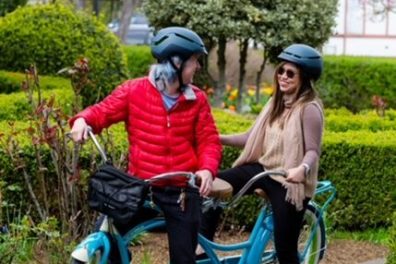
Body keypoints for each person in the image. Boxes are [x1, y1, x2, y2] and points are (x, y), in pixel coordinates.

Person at [69, 26, 222, 264]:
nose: (198, 67)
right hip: (144, 186)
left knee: (184, 257)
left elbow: (209, 141)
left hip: (181, 190)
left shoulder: (197, 99)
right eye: (194, 61)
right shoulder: (134, 90)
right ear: (176, 63)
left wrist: (206, 169)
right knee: (106, 232)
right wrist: (82, 120)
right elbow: (102, 111)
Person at [198, 44, 324, 264]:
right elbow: (250, 138)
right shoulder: (275, 103)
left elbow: (313, 151)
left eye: (290, 73)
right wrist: (216, 138)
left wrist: (301, 170)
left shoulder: (309, 109)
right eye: (281, 71)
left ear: (304, 78)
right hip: (264, 169)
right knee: (212, 187)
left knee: (285, 250)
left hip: (287, 181)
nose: (283, 76)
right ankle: (201, 249)